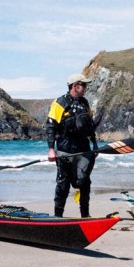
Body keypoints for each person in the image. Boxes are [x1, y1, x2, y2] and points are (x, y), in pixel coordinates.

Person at [46, 72, 99, 217]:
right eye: (84, 85)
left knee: (84, 184)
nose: (86, 88)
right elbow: (50, 126)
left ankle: (85, 215)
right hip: (65, 151)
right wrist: (51, 149)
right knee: (63, 185)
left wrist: (94, 145)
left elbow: (90, 127)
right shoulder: (60, 103)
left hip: (83, 151)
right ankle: (58, 216)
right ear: (75, 86)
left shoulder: (85, 103)